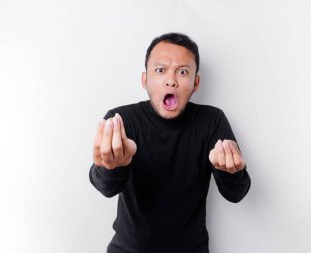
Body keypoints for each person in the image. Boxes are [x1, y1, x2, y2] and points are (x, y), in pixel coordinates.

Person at [89, 32, 251, 253]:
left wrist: (230, 171)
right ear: (144, 79)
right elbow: (106, 188)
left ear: (195, 83)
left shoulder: (212, 121)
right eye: (160, 70)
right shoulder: (121, 120)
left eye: (182, 72)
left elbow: (236, 194)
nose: (171, 80)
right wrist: (113, 165)